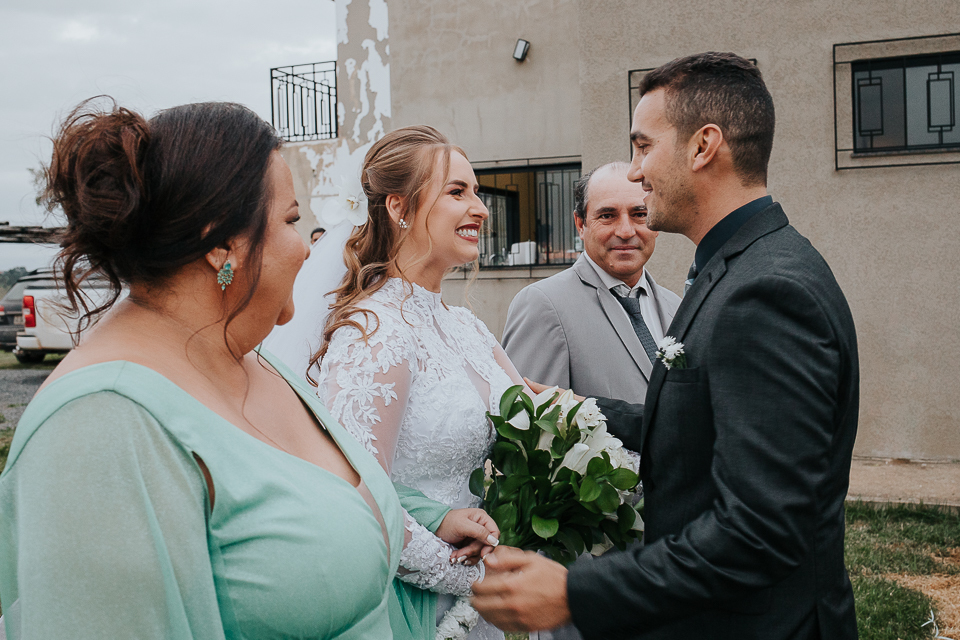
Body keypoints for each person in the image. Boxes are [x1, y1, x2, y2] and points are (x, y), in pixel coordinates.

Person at [0, 100, 491, 640]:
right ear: (223, 244)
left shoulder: (257, 363)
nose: (308, 250)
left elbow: (315, 485)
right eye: (291, 221)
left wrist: (433, 515)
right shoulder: (99, 424)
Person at [473, 52, 860, 640]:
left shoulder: (766, 293)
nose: (635, 171)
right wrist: (579, 409)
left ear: (704, 147)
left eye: (643, 147)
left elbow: (759, 531)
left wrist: (576, 592)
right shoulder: (739, 267)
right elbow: (698, 422)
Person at [310, 125, 529, 640]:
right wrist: (471, 576)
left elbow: (536, 418)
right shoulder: (374, 332)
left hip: (479, 596)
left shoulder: (467, 327)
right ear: (399, 208)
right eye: (457, 192)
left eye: (476, 192)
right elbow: (355, 491)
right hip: (411, 600)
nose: (480, 208)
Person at [502, 161, 681, 405]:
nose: (626, 231)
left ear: (656, 221)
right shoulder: (542, 305)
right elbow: (526, 418)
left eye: (640, 214)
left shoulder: (676, 307)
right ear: (580, 224)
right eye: (607, 216)